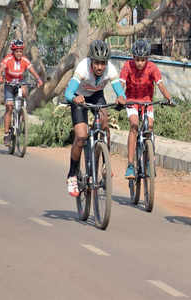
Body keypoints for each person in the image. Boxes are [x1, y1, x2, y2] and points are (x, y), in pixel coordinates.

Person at [64, 40, 126, 197]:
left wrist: (121, 98)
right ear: (91, 60)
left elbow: (120, 91)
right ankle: (72, 174)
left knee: (105, 124)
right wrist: (74, 98)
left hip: (97, 96)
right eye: (97, 63)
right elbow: (68, 93)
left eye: (103, 63)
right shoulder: (82, 68)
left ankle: (105, 164)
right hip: (79, 98)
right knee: (81, 136)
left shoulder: (110, 69)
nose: (100, 67)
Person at [119, 39, 172, 179]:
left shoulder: (152, 68)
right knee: (134, 126)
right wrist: (120, 97)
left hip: (147, 102)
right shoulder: (127, 66)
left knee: (150, 127)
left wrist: (169, 98)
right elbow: (121, 84)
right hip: (131, 101)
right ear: (133, 58)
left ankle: (149, 162)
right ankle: (130, 165)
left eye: (143, 60)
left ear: (147, 59)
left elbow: (160, 85)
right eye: (137, 59)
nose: (140, 63)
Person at [0, 39, 43, 146]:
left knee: (24, 91)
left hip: (19, 83)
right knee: (9, 107)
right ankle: (6, 134)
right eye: (17, 51)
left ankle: (22, 113)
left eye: (20, 51)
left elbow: (32, 70)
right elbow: (1, 68)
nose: (19, 53)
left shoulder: (25, 60)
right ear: (13, 51)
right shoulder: (8, 59)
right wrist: (0, 76)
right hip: (9, 85)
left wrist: (39, 79)